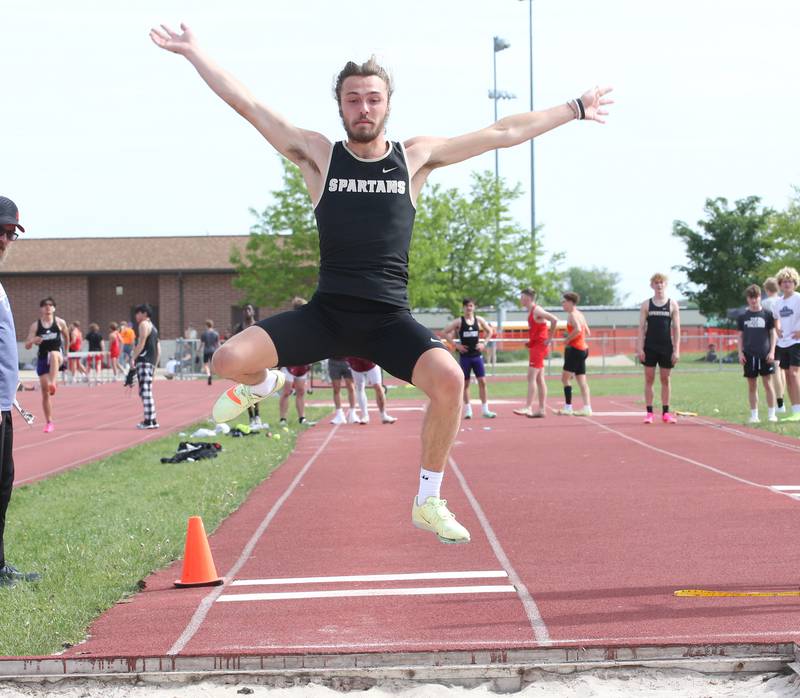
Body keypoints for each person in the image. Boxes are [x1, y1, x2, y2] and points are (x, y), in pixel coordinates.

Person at [151, 23, 612, 544]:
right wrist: (194, 53)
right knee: (226, 362)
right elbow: (250, 106)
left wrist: (572, 108)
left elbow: (502, 132)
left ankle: (428, 499)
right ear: (341, 107)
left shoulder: (414, 157)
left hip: (389, 319)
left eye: (373, 99)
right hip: (326, 315)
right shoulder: (320, 155)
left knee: (450, 381)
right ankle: (265, 384)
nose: (363, 108)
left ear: (387, 104)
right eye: (354, 100)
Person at [0, 197, 40, 586]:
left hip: (3, 402)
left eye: (11, 233)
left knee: (4, 484)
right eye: (3, 230)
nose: (6, 238)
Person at [636, 273, 681, 424]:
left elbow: (676, 329)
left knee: (665, 379)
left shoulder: (672, 304)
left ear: (665, 284)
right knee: (649, 378)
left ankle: (665, 413)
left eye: (661, 282)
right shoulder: (646, 304)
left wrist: (676, 350)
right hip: (650, 346)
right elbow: (641, 328)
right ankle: (649, 413)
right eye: (656, 282)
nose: (659, 285)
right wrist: (640, 348)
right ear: (652, 285)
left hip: (666, 347)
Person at [442, 298, 496, 420]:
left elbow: (490, 331)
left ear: (474, 307)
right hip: (465, 357)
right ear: (463, 308)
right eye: (466, 306)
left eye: (471, 306)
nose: (469, 308)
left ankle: (485, 410)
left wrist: (484, 343)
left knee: (482, 382)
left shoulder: (479, 320)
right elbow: (444, 332)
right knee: (465, 384)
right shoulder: (459, 322)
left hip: (477, 356)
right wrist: (456, 345)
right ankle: (468, 411)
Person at [24, 297, 69, 433]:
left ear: (54, 308)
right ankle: (49, 422)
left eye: (50, 305)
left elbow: (67, 337)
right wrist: (33, 340)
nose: (47, 307)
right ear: (41, 309)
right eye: (44, 305)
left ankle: (53, 383)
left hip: (57, 356)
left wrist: (66, 353)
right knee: (45, 393)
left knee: (54, 354)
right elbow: (26, 345)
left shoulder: (60, 323)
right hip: (43, 358)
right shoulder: (36, 325)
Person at [513, 288, 559, 418]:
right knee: (539, 378)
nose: (520, 300)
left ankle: (528, 407)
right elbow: (538, 329)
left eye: (522, 297)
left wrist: (549, 339)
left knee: (531, 377)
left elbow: (554, 320)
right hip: (536, 346)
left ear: (528, 298)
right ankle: (542, 409)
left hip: (540, 347)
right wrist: (531, 341)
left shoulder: (537, 310)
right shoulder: (531, 311)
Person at [737, 284, 777, 424]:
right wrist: (740, 353)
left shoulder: (767, 314)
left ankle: (772, 414)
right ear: (748, 299)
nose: (753, 300)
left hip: (765, 354)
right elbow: (740, 336)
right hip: (749, 354)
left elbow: (773, 333)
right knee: (752, 385)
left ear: (760, 297)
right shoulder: (743, 316)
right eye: (751, 298)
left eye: (756, 297)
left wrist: (772, 351)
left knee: (768, 383)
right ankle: (754, 415)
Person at [556, 292, 592, 416]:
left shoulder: (572, 315)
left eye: (564, 302)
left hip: (576, 350)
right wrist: (576, 338)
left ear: (571, 302)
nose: (562, 304)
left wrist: (568, 339)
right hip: (583, 349)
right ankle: (587, 408)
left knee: (565, 379)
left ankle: (568, 407)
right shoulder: (580, 314)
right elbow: (587, 331)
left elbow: (578, 329)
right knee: (581, 380)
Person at [772, 267, 800, 422]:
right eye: (784, 282)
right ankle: (795, 411)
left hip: (797, 342)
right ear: (780, 284)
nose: (787, 284)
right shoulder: (778, 302)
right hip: (783, 343)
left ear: (794, 283)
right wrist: (777, 328)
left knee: (795, 374)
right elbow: (775, 317)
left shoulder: (798, 298)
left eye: (790, 281)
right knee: (788, 376)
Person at [231, 304, 265, 430]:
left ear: (253, 312)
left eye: (249, 309)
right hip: (243, 362)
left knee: (256, 389)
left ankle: (257, 415)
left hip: (256, 361)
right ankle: (251, 416)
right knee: (246, 390)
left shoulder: (258, 325)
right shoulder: (239, 328)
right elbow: (233, 343)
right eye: (244, 310)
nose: (246, 311)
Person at [129, 304, 161, 429]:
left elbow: (141, 342)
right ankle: (151, 419)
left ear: (144, 313)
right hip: (151, 361)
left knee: (145, 391)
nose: (136, 316)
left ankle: (149, 421)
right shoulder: (154, 328)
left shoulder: (143, 325)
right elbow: (158, 348)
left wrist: (133, 358)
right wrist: (155, 366)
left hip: (144, 360)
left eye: (138, 313)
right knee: (147, 391)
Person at [346, 357, 397, 424]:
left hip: (370, 362)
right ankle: (365, 415)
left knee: (378, 387)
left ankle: (383, 415)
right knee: (359, 388)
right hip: (355, 362)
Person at [761, 276, 785, 413]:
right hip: (786, 338)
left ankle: (780, 402)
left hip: (773, 339)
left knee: (775, 370)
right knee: (782, 370)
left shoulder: (765, 303)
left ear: (766, 289)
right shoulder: (782, 300)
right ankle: (782, 400)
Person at [328, 357, 359, 425]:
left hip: (348, 360)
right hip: (333, 361)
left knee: (351, 386)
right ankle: (339, 414)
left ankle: (352, 413)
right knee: (336, 388)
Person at [200, 319, 220, 386]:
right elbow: (217, 344)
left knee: (205, 364)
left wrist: (198, 350)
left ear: (206, 325)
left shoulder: (204, 333)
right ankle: (211, 374)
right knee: (211, 364)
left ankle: (208, 375)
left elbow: (202, 344)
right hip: (213, 350)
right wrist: (219, 350)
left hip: (206, 350)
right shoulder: (215, 333)